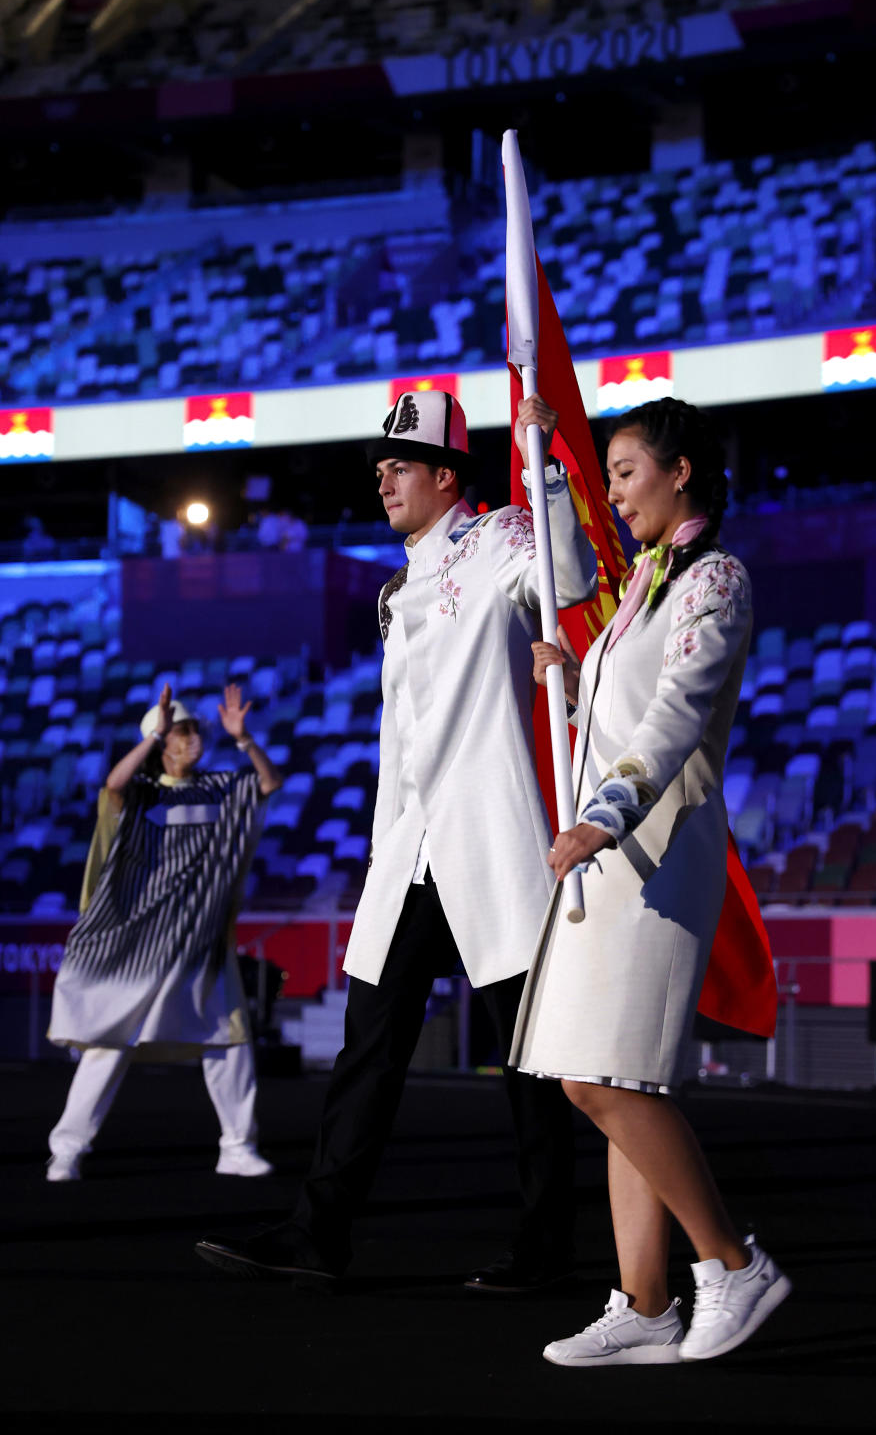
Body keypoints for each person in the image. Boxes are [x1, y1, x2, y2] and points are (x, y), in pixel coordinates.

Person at [195, 386, 598, 1291]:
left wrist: (553, 475)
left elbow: (565, 583)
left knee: (530, 1062)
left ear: (447, 475)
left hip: (492, 845)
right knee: (367, 1051)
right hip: (411, 850)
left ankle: (544, 1249)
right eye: (379, 469)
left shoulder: (499, 537)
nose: (383, 482)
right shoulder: (392, 588)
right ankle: (318, 1233)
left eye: (399, 467)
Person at [511, 397, 791, 1365]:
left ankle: (733, 1263)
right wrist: (543, 465)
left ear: (680, 473)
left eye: (626, 473)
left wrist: (604, 815)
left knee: (600, 1079)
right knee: (607, 1073)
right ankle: (645, 1301)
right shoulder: (643, 585)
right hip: (613, 853)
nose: (618, 493)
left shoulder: (714, 582)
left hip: (659, 852)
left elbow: (673, 719)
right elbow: (613, 682)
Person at [46, 683, 283, 1181]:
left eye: (195, 729)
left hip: (197, 940)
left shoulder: (219, 787)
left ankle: (237, 1147)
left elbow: (267, 784)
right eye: (180, 731)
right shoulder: (138, 794)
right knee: (109, 1044)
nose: (192, 737)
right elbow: (113, 784)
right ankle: (68, 1148)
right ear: (159, 740)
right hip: (134, 944)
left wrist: (244, 741)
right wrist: (152, 739)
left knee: (228, 1040)